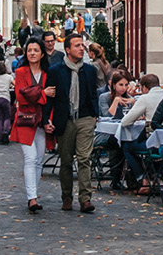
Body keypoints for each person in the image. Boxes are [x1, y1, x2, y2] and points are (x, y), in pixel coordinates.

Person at [49, 33, 100, 213]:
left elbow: (94, 93)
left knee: (85, 159)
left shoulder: (90, 70)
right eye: (77, 46)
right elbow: (52, 97)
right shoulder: (56, 70)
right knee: (66, 160)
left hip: (85, 118)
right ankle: (67, 197)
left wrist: (94, 114)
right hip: (65, 119)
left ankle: (85, 199)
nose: (81, 48)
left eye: (82, 45)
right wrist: (48, 119)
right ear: (68, 49)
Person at [14, 38, 55, 213]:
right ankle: (31, 198)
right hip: (25, 119)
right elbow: (21, 96)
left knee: (39, 160)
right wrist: (42, 93)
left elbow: (52, 98)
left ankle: (34, 194)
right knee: (30, 158)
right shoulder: (21, 72)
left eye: (35, 50)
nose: (32, 53)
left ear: (42, 54)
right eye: (29, 50)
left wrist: (49, 119)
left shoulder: (48, 74)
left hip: (42, 121)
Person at [120, 73, 163, 195]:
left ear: (145, 87)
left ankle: (143, 178)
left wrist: (139, 117)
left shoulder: (145, 98)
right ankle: (156, 177)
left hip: (153, 142)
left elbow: (126, 121)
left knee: (127, 147)